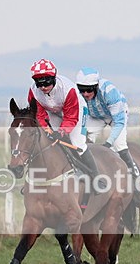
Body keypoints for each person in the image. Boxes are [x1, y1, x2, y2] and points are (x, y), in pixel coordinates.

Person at [26, 58, 106, 190]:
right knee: (50, 140)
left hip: (75, 111)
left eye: (46, 83)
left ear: (53, 78)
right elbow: (39, 114)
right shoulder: (33, 92)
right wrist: (47, 130)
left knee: (77, 143)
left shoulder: (67, 89)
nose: (43, 87)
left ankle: (96, 178)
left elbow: (71, 117)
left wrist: (61, 132)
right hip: (53, 111)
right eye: (39, 84)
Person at [75, 66, 140, 178]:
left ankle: (135, 175)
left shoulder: (110, 92)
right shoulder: (77, 94)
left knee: (119, 145)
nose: (85, 94)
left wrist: (108, 143)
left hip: (116, 116)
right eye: (82, 89)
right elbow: (82, 118)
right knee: (83, 140)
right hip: (97, 117)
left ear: (96, 86)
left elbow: (119, 122)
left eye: (89, 90)